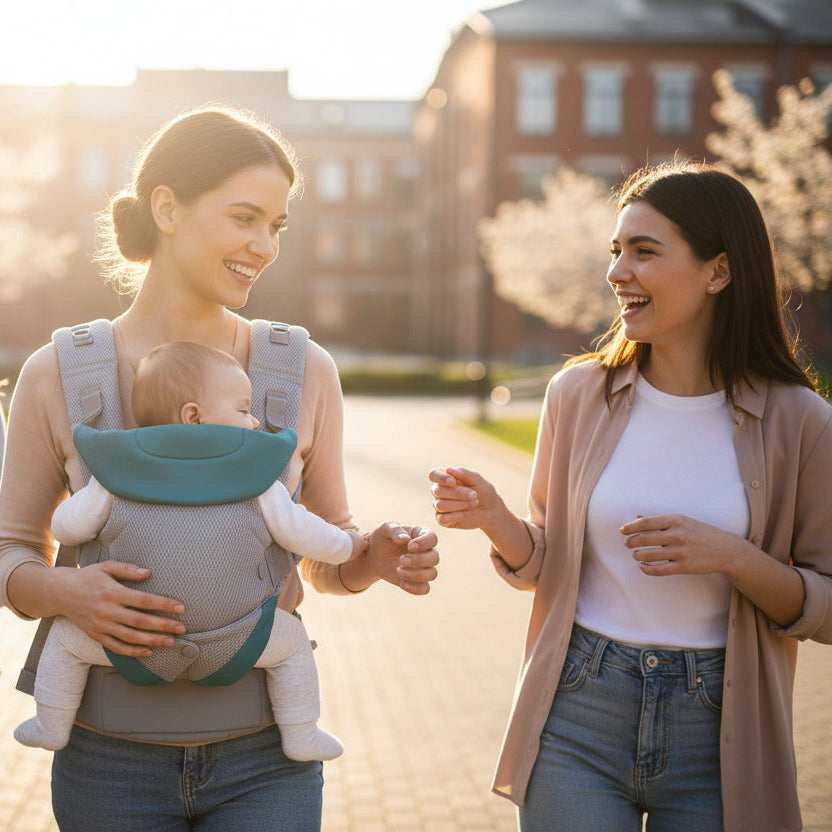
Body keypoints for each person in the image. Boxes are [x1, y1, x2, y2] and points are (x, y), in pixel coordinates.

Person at [0, 106, 439, 832]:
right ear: (166, 208)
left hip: (266, 761)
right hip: (107, 763)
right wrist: (67, 593)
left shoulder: (303, 371)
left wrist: (373, 556)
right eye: (245, 218)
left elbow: (328, 559)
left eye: (277, 226)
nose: (265, 246)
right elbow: (9, 551)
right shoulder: (58, 373)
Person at [430, 162, 832, 832]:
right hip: (579, 710)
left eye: (645, 252)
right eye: (616, 251)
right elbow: (546, 561)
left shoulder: (800, 421)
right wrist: (497, 521)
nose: (618, 272)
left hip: (721, 733)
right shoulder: (578, 395)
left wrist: (733, 557)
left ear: (719, 272)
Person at [15, 340, 369, 761]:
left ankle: (52, 724)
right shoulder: (257, 480)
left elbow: (66, 527)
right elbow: (305, 533)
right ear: (193, 417)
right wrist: (347, 546)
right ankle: (302, 732)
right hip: (238, 638)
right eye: (243, 409)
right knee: (291, 644)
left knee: (68, 640)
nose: (255, 422)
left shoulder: (115, 474)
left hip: (133, 643)